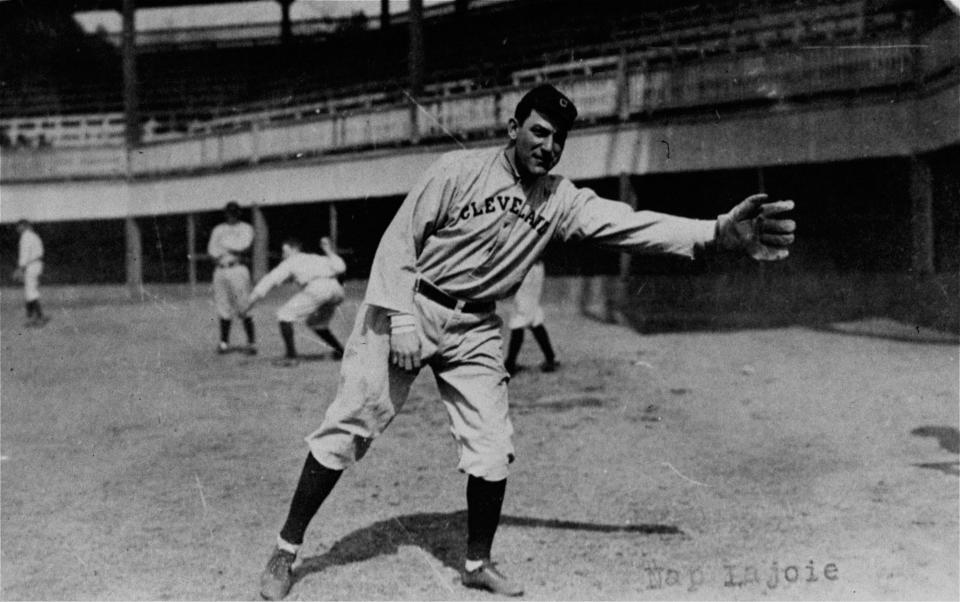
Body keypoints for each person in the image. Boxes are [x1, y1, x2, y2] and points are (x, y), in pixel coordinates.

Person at [257, 83, 796, 600]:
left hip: (475, 326)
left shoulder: (559, 198)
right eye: (539, 132)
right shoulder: (457, 170)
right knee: (350, 424)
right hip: (412, 303)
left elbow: (625, 223)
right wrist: (398, 319)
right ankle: (286, 550)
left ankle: (476, 564)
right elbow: (399, 240)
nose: (549, 146)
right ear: (513, 127)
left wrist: (714, 232)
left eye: (559, 139)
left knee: (492, 446)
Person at [242, 236, 347, 367]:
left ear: (294, 249)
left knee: (284, 315)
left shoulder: (290, 262)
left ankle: (291, 357)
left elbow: (270, 280)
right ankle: (340, 352)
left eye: (285, 251)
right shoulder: (314, 258)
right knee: (316, 323)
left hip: (318, 288)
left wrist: (251, 300)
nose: (283, 255)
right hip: (337, 289)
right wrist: (329, 252)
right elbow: (341, 267)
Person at [207, 201, 257, 355]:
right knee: (223, 306)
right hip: (221, 269)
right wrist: (226, 247)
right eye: (229, 212)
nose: (231, 215)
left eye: (234, 212)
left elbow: (243, 245)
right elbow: (212, 250)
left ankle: (251, 343)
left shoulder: (245, 228)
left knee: (243, 305)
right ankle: (224, 342)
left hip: (237, 269)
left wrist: (224, 245)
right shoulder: (219, 229)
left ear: (239, 213)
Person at [503, 260, 557, 375]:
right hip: (532, 266)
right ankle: (550, 357)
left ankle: (510, 364)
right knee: (533, 317)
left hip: (529, 267)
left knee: (520, 317)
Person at [13, 219, 48, 327]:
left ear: (24, 226)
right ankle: (32, 317)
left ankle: (38, 317)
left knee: (30, 291)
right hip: (37, 264)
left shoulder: (26, 237)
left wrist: (20, 269)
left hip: (31, 265)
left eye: (19, 226)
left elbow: (25, 254)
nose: (17, 229)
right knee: (30, 291)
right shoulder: (34, 236)